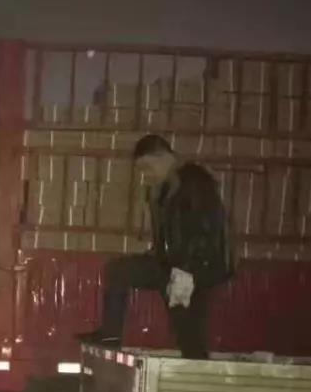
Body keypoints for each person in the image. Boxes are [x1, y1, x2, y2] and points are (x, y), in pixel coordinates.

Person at [81, 134, 232, 358]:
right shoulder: (163, 189)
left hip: (197, 267)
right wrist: (157, 254)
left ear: (163, 157)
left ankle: (196, 362)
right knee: (118, 271)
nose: (145, 175)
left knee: (186, 326)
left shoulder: (194, 183)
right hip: (171, 264)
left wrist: (187, 271)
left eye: (147, 167)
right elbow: (169, 233)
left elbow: (205, 230)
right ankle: (110, 336)